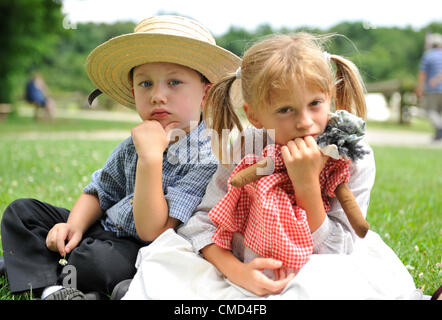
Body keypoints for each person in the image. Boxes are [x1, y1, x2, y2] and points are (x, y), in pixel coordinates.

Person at [0, 15, 240, 300]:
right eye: (145, 84)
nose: (157, 95)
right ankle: (52, 288)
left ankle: (38, 269)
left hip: (140, 248)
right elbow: (99, 191)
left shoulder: (208, 156)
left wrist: (150, 159)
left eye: (174, 82)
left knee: (98, 264)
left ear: (206, 93)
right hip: (100, 230)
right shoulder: (133, 143)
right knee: (23, 212)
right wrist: (73, 226)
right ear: (132, 90)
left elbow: (153, 231)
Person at [178, 32, 374, 296]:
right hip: (244, 267)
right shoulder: (249, 145)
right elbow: (201, 223)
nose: (305, 122)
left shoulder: (351, 154)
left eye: (315, 103)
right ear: (254, 115)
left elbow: (337, 253)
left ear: (329, 96)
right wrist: (236, 271)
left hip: (317, 275)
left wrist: (307, 185)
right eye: (285, 109)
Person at [416, 35, 442, 141]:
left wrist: (420, 87)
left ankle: (440, 129)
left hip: (433, 89)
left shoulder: (428, 55)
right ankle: (438, 135)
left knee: (431, 111)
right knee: (438, 113)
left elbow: (422, 73)